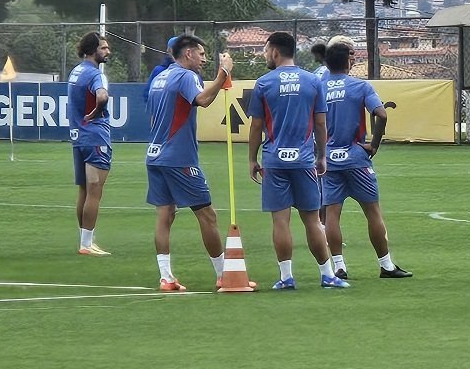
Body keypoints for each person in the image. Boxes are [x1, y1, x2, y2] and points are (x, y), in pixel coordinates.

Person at [247, 31, 346, 289]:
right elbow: (321, 123)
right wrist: (321, 156)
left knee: (280, 221)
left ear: (275, 52)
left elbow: (256, 126)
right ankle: (327, 275)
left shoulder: (264, 83)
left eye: (266, 50)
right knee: (312, 220)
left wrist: (251, 159)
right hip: (303, 161)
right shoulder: (313, 81)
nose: (265, 55)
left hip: (274, 161)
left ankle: (286, 277)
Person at [145, 35, 235, 291]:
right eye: (202, 54)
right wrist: (223, 72)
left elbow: (153, 118)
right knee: (207, 215)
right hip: (179, 158)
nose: (204, 59)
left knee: (165, 215)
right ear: (188, 54)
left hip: (154, 154)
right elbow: (203, 100)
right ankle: (223, 275)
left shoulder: (160, 77)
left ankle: (166, 278)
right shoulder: (186, 76)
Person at [320, 42, 411, 279]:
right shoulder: (360, 86)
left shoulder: (318, 87)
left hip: (329, 160)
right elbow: (381, 114)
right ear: (348, 62)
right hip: (357, 159)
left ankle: (339, 266)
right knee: (373, 212)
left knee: (331, 214)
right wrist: (374, 145)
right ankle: (386, 265)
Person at [68, 33, 114, 256]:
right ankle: (87, 244)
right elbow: (102, 96)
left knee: (84, 191)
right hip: (95, 137)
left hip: (78, 137)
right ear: (93, 50)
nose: (108, 52)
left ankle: (85, 239)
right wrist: (97, 111)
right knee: (95, 191)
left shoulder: (76, 71)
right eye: (104, 48)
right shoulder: (97, 75)